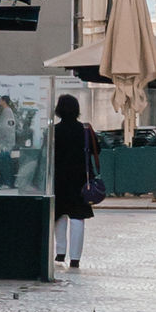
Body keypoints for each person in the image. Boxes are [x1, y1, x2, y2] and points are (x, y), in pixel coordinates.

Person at [50, 93, 101, 275]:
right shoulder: (85, 130)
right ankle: (75, 258)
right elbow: (97, 150)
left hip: (58, 179)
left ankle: (60, 253)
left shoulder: (54, 131)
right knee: (78, 217)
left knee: (60, 215)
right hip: (81, 180)